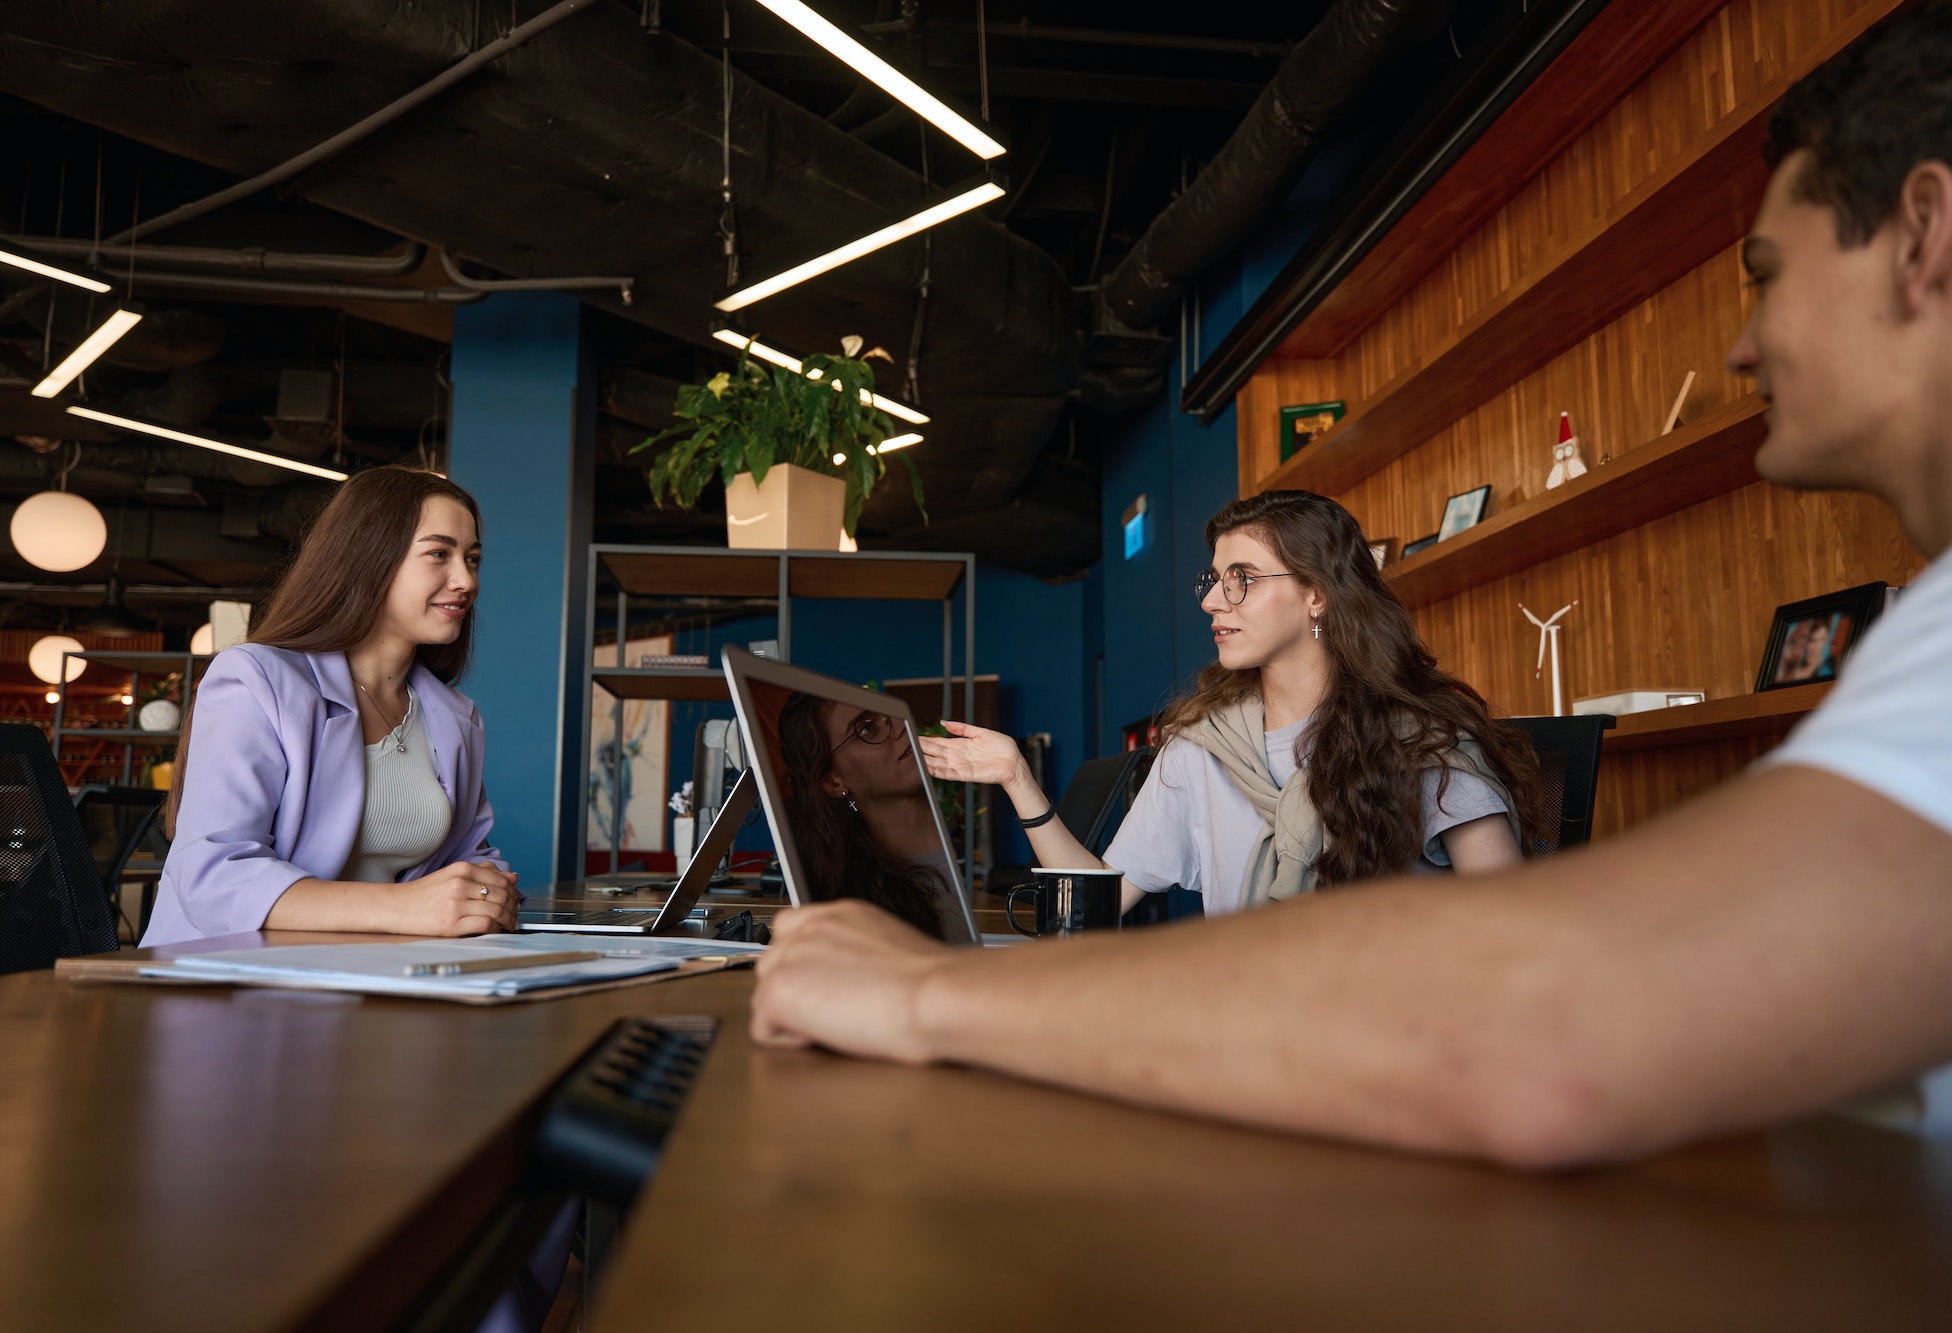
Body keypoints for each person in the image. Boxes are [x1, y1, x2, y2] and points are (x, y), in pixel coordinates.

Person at [749, 3, 1952, 1169]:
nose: (1739, 344)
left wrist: (926, 997)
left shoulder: (1425, 744)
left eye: (1762, 272)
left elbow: (1531, 1007)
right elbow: (1116, 902)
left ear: (1922, 232)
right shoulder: (1196, 744)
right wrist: (1009, 815)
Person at [921, 491, 1536, 917]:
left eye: (1241, 577)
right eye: (1213, 580)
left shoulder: (1421, 742)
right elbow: (1099, 903)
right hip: (1244, 1032)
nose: (1214, 600)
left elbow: (1512, 927)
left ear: (1316, 595)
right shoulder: (1199, 749)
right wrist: (1018, 781)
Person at [144, 466, 518, 946]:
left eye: (473, 559)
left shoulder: (455, 717)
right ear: (369, 559)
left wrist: (486, 892)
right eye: (439, 555)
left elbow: (470, 858)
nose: (465, 580)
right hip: (232, 981)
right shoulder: (256, 679)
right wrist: (407, 907)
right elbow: (214, 874)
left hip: (375, 977)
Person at [776, 691, 959, 939]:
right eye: (866, 729)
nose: (899, 727)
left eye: (891, 715)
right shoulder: (862, 908)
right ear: (832, 781)